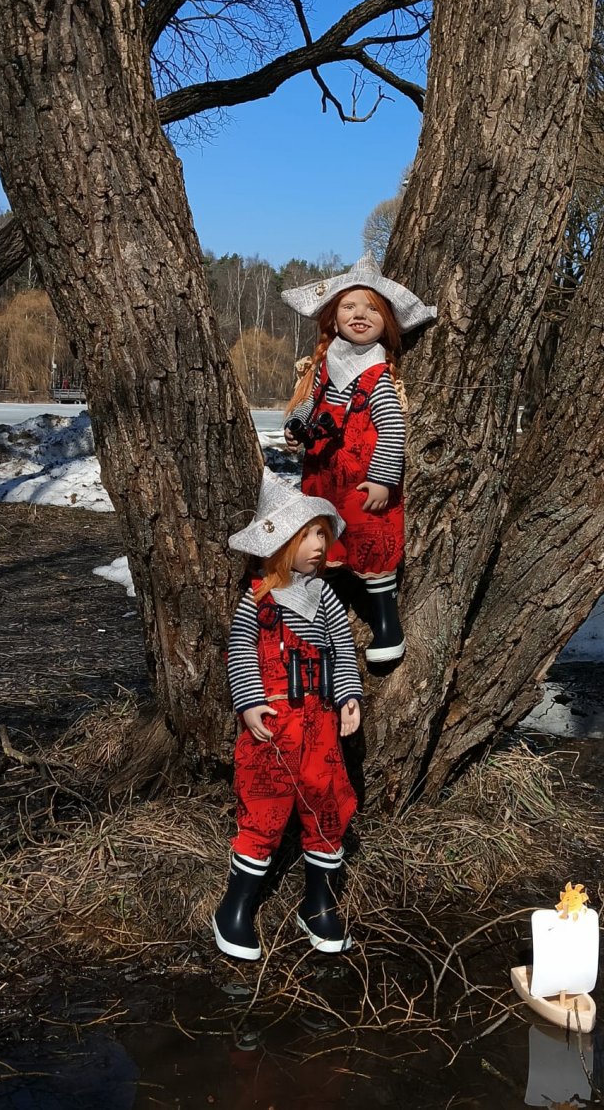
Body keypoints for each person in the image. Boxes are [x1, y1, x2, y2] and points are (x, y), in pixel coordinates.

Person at [213, 468, 363, 961]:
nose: (320, 545)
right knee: (264, 810)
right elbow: (240, 652)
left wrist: (347, 696)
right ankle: (235, 908)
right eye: (308, 536)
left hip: (319, 725)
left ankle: (317, 904)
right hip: (273, 727)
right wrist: (250, 700)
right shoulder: (256, 601)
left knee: (326, 806)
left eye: (323, 534)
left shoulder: (325, 600)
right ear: (281, 545)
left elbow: (342, 650)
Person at [281, 252, 436, 665]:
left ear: (388, 321)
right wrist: (297, 425)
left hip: (363, 480)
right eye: (349, 306)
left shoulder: (377, 373)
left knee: (369, 536)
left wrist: (384, 478)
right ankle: (323, 617)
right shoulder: (324, 367)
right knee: (324, 537)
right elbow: (308, 404)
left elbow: (391, 427)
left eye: (372, 308)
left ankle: (386, 621)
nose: (360, 314)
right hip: (322, 474)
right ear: (332, 317)